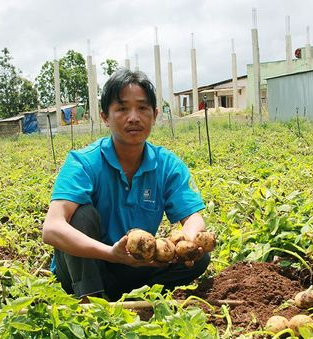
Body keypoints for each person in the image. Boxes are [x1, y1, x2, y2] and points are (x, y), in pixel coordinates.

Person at [42, 68, 210, 301]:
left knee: (199, 258)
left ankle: (136, 300)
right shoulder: (83, 162)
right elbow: (52, 228)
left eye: (142, 108)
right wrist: (111, 254)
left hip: (135, 264)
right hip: (85, 266)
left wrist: (186, 240)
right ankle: (90, 300)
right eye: (122, 108)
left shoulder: (167, 164)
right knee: (81, 215)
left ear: (155, 114)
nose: (134, 117)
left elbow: (193, 217)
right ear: (105, 117)